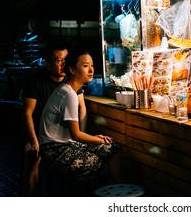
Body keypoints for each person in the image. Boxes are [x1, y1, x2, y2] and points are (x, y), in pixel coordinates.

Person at [38, 49, 122, 190]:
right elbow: (76, 135)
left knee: (113, 148)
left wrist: (97, 140)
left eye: (92, 65)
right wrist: (99, 140)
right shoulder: (68, 94)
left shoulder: (69, 90)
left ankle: (120, 190)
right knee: (98, 163)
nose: (91, 70)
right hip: (55, 151)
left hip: (66, 144)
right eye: (85, 66)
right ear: (72, 69)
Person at [20, 42, 87, 196]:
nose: (63, 64)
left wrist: (82, 134)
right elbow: (26, 113)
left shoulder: (71, 79)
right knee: (32, 157)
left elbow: (82, 107)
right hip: (37, 133)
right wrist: (33, 140)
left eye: (65, 59)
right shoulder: (36, 80)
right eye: (58, 60)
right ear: (48, 64)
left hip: (64, 137)